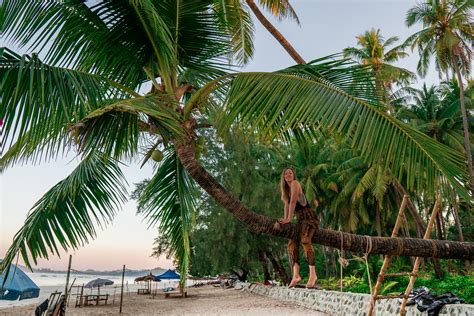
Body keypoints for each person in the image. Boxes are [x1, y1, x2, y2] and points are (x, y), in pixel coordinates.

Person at [278, 167, 319, 288]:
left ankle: (313, 274)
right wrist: (286, 220)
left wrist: (289, 219)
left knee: (305, 240)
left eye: (290, 173)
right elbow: (287, 206)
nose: (288, 175)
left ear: (293, 175)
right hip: (300, 220)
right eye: (286, 174)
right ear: (284, 177)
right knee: (292, 242)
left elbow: (293, 202)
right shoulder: (286, 191)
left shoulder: (295, 184)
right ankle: (296, 275)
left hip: (309, 218)